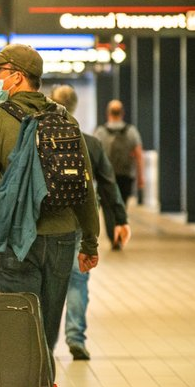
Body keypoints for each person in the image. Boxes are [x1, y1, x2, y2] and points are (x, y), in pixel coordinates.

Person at [0, 44, 99, 353]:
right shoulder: (65, 119)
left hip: (14, 240)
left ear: (17, 77)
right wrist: (89, 241)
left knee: (22, 332)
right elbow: (84, 186)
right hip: (63, 239)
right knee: (45, 335)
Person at [51, 85, 130, 360]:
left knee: (47, 283)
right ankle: (76, 338)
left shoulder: (42, 139)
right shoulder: (90, 143)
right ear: (74, 107)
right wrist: (120, 218)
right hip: (81, 223)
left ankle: (44, 343)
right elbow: (108, 184)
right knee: (77, 281)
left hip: (49, 224)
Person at [94, 100, 145, 246]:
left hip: (105, 176)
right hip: (125, 175)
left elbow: (93, 154)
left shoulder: (100, 131)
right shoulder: (131, 131)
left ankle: (113, 237)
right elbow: (139, 155)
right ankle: (120, 232)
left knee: (108, 208)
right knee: (121, 205)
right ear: (122, 113)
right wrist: (141, 176)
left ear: (108, 113)